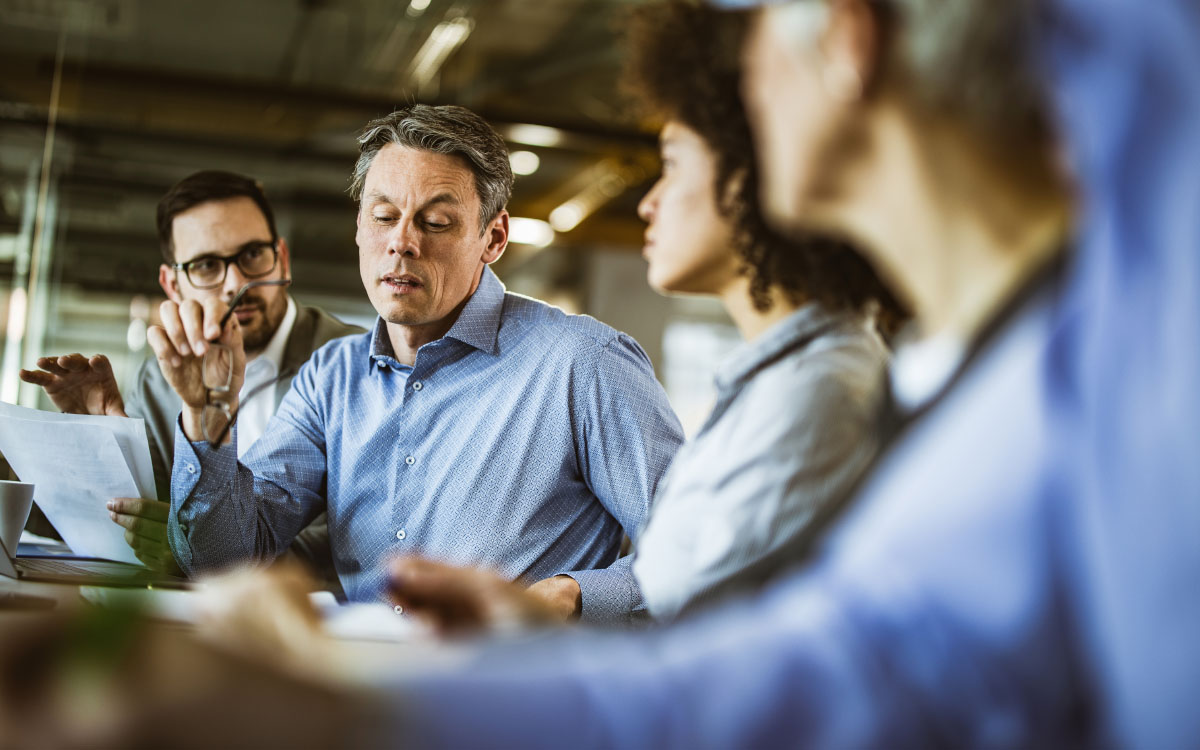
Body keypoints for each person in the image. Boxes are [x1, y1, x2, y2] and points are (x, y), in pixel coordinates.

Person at [391, 0, 907, 627]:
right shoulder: (771, 386)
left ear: (755, 176)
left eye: (671, 165)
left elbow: (711, 653)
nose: (648, 203)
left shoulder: (819, 395)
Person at [156, 104, 685, 621]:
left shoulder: (583, 363)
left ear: (493, 238)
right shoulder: (330, 378)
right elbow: (223, 559)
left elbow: (697, 546)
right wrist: (209, 418)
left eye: (435, 223)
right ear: (360, 229)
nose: (401, 243)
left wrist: (573, 595)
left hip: (515, 691)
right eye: (383, 217)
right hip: (367, 688)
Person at [18, 171, 361, 575]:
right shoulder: (159, 379)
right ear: (173, 284)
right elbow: (151, 513)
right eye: (207, 265)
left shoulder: (350, 366)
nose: (235, 284)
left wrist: (196, 554)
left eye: (253, 255)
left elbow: (357, 534)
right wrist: (103, 443)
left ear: (281, 259)